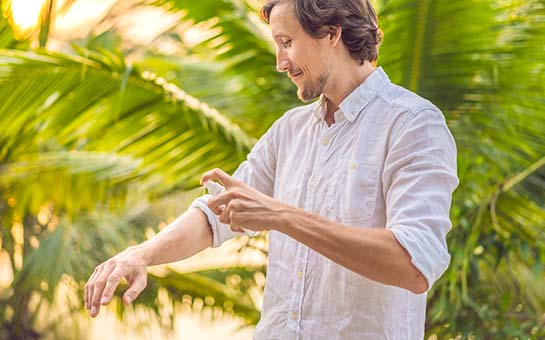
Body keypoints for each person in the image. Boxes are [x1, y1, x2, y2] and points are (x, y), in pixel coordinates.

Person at [84, 0, 459, 338]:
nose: (280, 63)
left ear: (332, 32)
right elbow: (217, 214)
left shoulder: (412, 123)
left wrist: (282, 216)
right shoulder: (290, 131)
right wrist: (141, 254)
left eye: (287, 42)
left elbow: (413, 264)